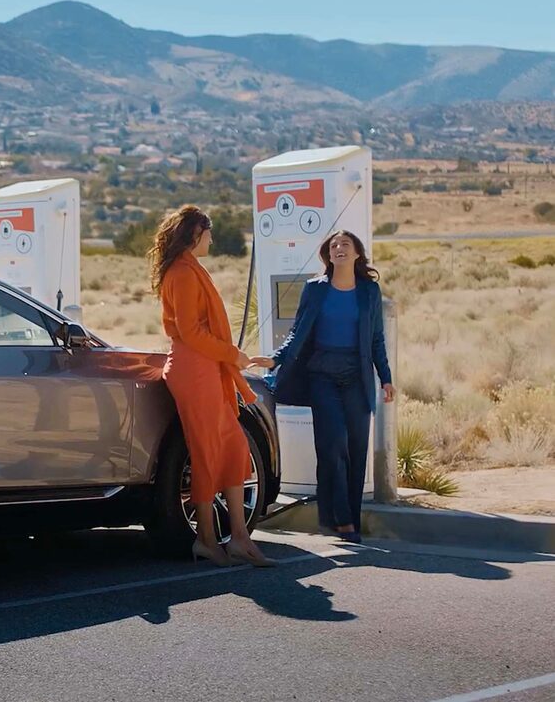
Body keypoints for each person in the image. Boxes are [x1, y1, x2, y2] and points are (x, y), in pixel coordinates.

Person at [152, 205, 274, 568]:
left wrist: (229, 357)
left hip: (206, 367)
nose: (212, 239)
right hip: (195, 370)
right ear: (195, 234)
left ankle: (239, 537)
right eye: (208, 232)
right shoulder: (183, 273)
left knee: (234, 448)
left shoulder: (189, 269)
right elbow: (190, 333)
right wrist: (231, 354)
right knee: (206, 452)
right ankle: (206, 539)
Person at [256, 230, 394, 544]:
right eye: (333, 245)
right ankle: (341, 521)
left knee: (356, 450)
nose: (339, 248)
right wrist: (275, 359)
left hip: (356, 377)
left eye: (345, 244)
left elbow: (376, 340)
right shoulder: (314, 289)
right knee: (332, 447)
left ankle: (348, 519)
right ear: (328, 256)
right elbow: (297, 331)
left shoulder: (369, 291)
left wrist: (385, 378)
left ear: (357, 253)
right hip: (323, 375)